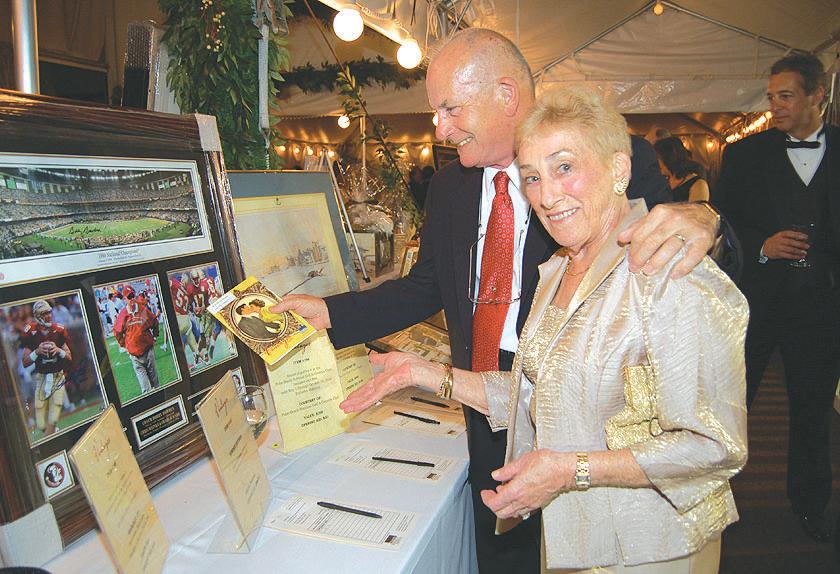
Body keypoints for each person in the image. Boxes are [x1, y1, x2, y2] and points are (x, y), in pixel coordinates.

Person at [273, 28, 723, 573]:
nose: (439, 128)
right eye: (532, 178)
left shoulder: (599, 157)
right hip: (485, 390)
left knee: (583, 541)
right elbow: (426, 286)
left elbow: (679, 257)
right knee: (502, 544)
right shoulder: (449, 187)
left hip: (594, 411)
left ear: (506, 94)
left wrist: (708, 221)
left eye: (450, 108)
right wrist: (331, 312)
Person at [714, 52, 839, 543]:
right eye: (772, 97)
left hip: (821, 309)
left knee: (812, 413)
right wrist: (761, 245)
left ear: (817, 96)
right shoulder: (745, 154)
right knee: (731, 405)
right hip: (757, 306)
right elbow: (722, 222)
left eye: (786, 96)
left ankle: (810, 506)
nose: (776, 106)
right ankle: (712, 499)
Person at [20, 300, 73, 438]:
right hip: (41, 376)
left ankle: (54, 433)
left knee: (53, 414)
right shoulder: (30, 331)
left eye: (49, 312)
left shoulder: (59, 329)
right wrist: (37, 352)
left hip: (57, 375)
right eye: (44, 313)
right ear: (37, 316)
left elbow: (69, 357)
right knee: (41, 423)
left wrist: (58, 350)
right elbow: (25, 362)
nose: (48, 316)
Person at [113, 286, 160, 394]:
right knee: (146, 390)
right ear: (125, 299)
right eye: (129, 297)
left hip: (148, 351)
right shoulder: (123, 315)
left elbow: (154, 322)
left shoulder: (142, 310)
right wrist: (124, 345)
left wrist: (155, 336)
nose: (132, 299)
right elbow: (117, 332)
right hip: (135, 356)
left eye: (133, 295)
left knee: (156, 384)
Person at [654, 137, 710, 202]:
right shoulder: (661, 181)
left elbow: (696, 208)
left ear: (670, 159)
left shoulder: (698, 184)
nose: (655, 162)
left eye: (658, 158)